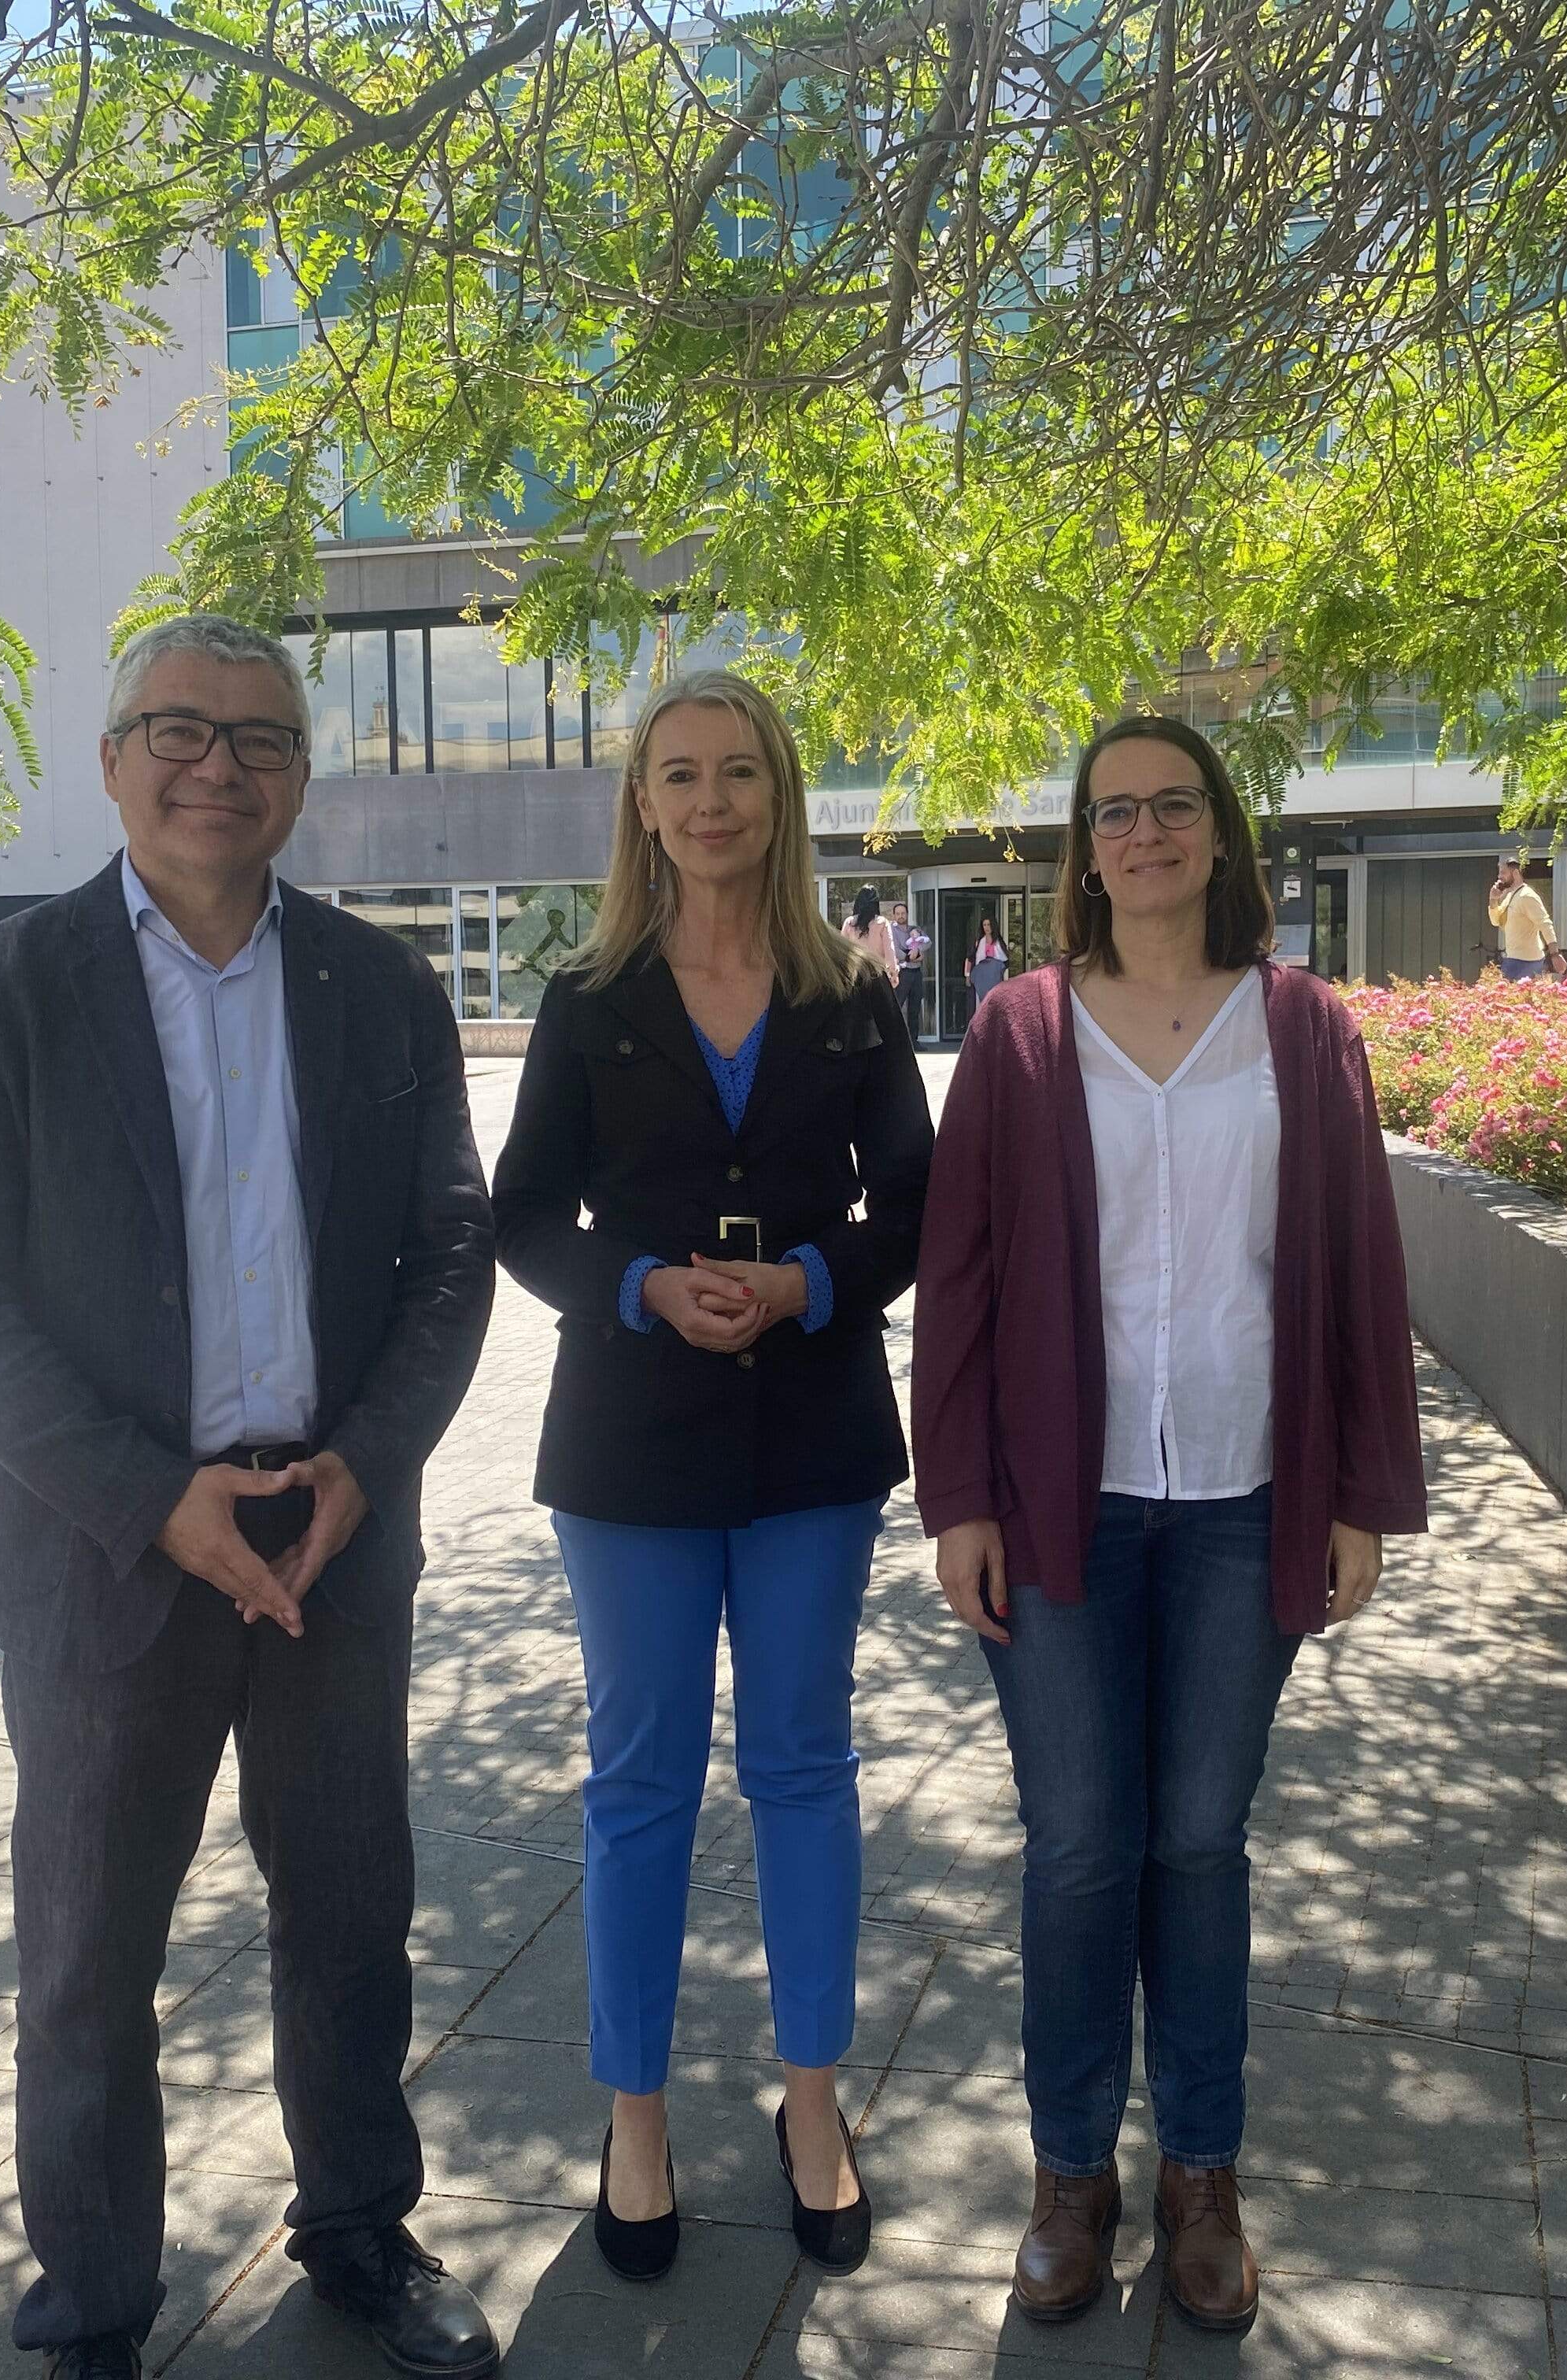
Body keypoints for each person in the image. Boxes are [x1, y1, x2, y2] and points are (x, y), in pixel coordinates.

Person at [0, 613, 501, 2380]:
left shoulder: (382, 988)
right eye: (178, 728)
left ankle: (359, 2228)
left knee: (351, 1917)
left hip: (329, 1536)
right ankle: (92, 2302)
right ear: (111, 759)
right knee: (87, 1957)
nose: (217, 766)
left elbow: (451, 1250)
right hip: (105, 1551)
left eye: (259, 739)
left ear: (301, 777)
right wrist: (154, 1500)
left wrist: (368, 1463)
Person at [912, 713, 1428, 2339]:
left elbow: (1357, 1268)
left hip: (1241, 1496)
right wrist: (958, 1497)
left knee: (1198, 1839)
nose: (1143, 831)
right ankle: (1072, 2172)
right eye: (1114, 810)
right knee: (1079, 1844)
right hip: (1058, 1502)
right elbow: (959, 1280)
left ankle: (1203, 2171)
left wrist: (1361, 1494)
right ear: (1084, 847)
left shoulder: (1304, 1027)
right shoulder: (1019, 1029)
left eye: (1172, 805)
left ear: (1219, 833)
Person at [493, 670, 933, 2287]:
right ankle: (635, 2117)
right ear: (643, 803)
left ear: (779, 793)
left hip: (813, 1431)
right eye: (678, 774)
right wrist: (639, 1287)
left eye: (736, 771)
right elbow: (521, 1215)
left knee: (804, 1766)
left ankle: (813, 2105)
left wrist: (810, 1281)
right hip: (629, 1439)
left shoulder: (852, 996)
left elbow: (916, 1207)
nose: (709, 800)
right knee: (639, 1784)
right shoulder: (587, 997)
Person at [1488, 856, 1560, 981]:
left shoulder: (1527, 896)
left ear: (1515, 873)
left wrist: (1555, 954)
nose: (1499, 877)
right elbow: (1496, 921)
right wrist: (1493, 900)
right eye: (1499, 873)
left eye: (1503, 873)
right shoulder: (1510, 895)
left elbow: (1545, 924)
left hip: (1528, 962)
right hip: (1513, 958)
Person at [841, 882, 904, 981]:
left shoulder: (850, 922)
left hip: (856, 973)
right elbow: (889, 950)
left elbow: (843, 950)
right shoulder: (882, 923)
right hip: (878, 973)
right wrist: (893, 973)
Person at [890, 901, 929, 1041]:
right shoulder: (891, 930)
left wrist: (917, 950)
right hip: (902, 973)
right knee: (897, 1007)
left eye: (903, 913)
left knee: (915, 1008)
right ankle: (895, 1041)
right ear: (894, 915)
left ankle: (914, 1041)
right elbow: (894, 949)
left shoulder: (915, 929)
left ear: (907, 914)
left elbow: (928, 942)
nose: (901, 916)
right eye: (898, 914)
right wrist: (909, 957)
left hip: (916, 973)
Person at [966, 915, 1010, 1008]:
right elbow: (970, 959)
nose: (987, 927)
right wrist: (967, 976)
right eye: (984, 925)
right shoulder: (979, 942)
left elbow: (1006, 962)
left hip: (994, 979)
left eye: (989, 925)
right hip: (981, 980)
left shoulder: (999, 942)